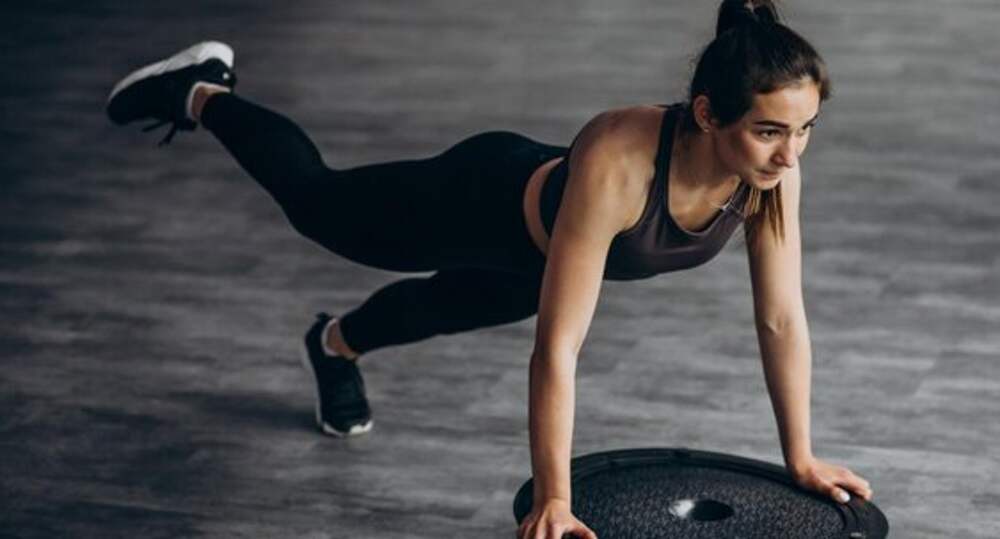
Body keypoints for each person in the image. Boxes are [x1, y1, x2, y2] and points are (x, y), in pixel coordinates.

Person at [105, 1, 874, 537]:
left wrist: (800, 457)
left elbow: (780, 317)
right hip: (475, 200)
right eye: (770, 130)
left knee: (442, 308)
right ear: (707, 113)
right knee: (318, 204)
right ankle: (199, 91)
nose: (791, 152)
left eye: (806, 128)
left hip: (530, 260)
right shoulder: (619, 159)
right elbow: (559, 348)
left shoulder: (773, 176)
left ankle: (334, 343)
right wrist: (555, 498)